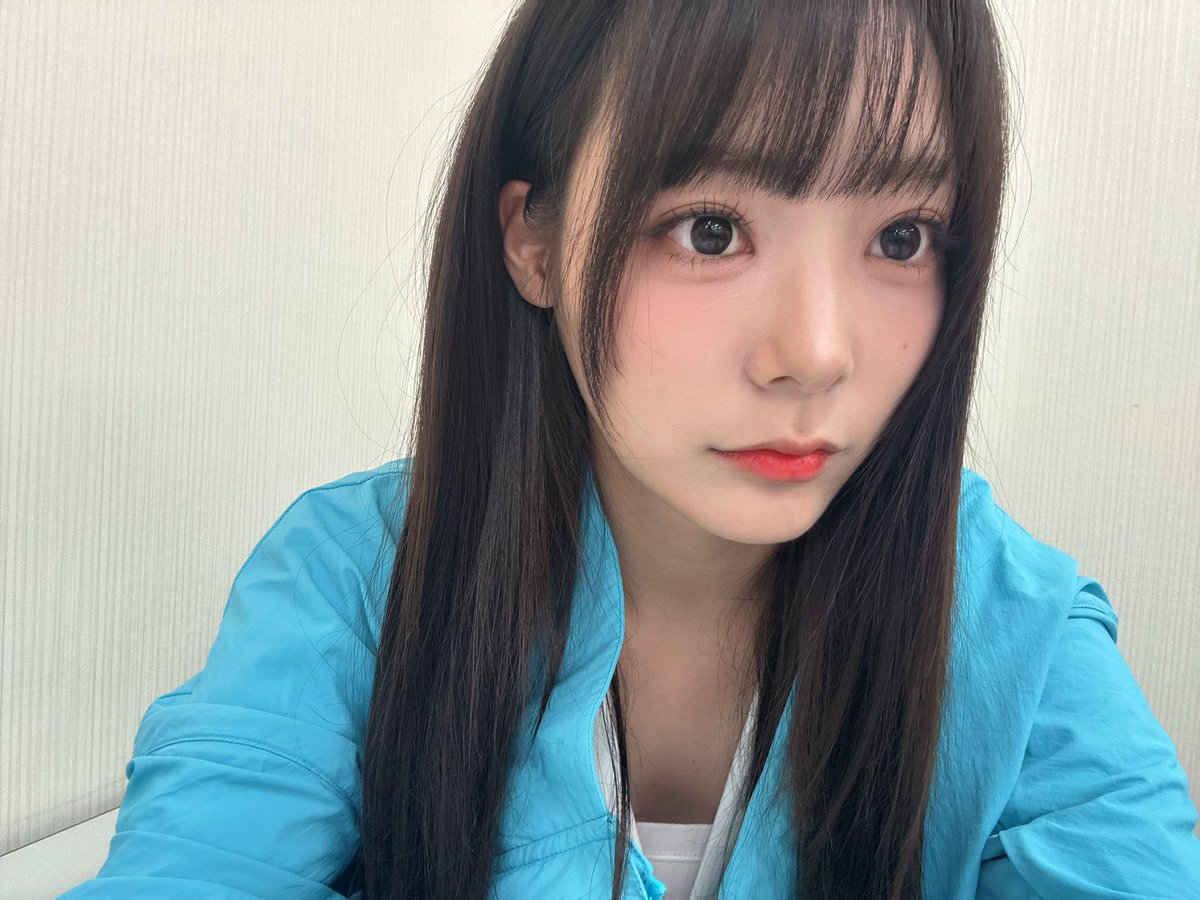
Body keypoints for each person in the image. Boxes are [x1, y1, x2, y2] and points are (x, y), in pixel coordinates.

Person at [63, 0, 1200, 898]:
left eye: (901, 238)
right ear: (535, 240)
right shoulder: (354, 584)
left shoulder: (1013, 631)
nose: (816, 353)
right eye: (711, 230)